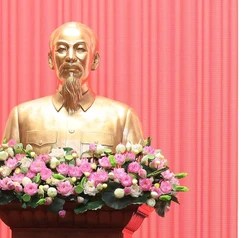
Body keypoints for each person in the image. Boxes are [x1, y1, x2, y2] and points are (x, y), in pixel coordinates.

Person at [2, 21, 144, 153]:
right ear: (51, 60)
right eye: (62, 49)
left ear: (95, 60)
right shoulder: (22, 116)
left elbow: (138, 174)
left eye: (80, 49)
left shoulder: (122, 118)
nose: (70, 57)